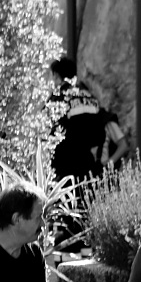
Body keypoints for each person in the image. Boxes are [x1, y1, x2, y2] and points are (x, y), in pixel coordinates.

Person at [48, 57, 106, 188]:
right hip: (87, 166)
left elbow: (48, 134)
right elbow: (100, 135)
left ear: (57, 76)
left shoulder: (58, 98)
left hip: (64, 171)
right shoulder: (89, 97)